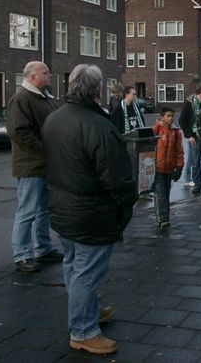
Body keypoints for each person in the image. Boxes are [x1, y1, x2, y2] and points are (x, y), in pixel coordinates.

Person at [43, 64, 137, 356]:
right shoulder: (98, 126)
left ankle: (88, 312)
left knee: (73, 265)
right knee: (87, 272)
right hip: (91, 212)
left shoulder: (54, 119)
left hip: (62, 207)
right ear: (97, 90)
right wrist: (125, 205)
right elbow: (116, 177)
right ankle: (83, 331)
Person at [7, 61, 61, 274]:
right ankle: (21, 254)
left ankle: (43, 249)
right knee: (27, 211)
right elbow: (19, 132)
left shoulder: (44, 98)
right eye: (45, 72)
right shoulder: (21, 99)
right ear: (32, 77)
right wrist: (44, 150)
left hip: (45, 165)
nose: (49, 75)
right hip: (30, 166)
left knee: (43, 210)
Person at [151, 108, 184, 229]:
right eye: (168, 116)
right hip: (158, 168)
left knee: (166, 194)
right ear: (162, 117)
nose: (170, 118)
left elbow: (179, 151)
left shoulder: (176, 132)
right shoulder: (157, 129)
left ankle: (165, 217)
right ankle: (163, 219)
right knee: (161, 194)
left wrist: (179, 167)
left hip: (169, 168)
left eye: (172, 116)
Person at [178, 84, 201, 194]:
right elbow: (182, 121)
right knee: (194, 160)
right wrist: (189, 135)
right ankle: (195, 182)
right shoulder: (189, 103)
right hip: (193, 136)